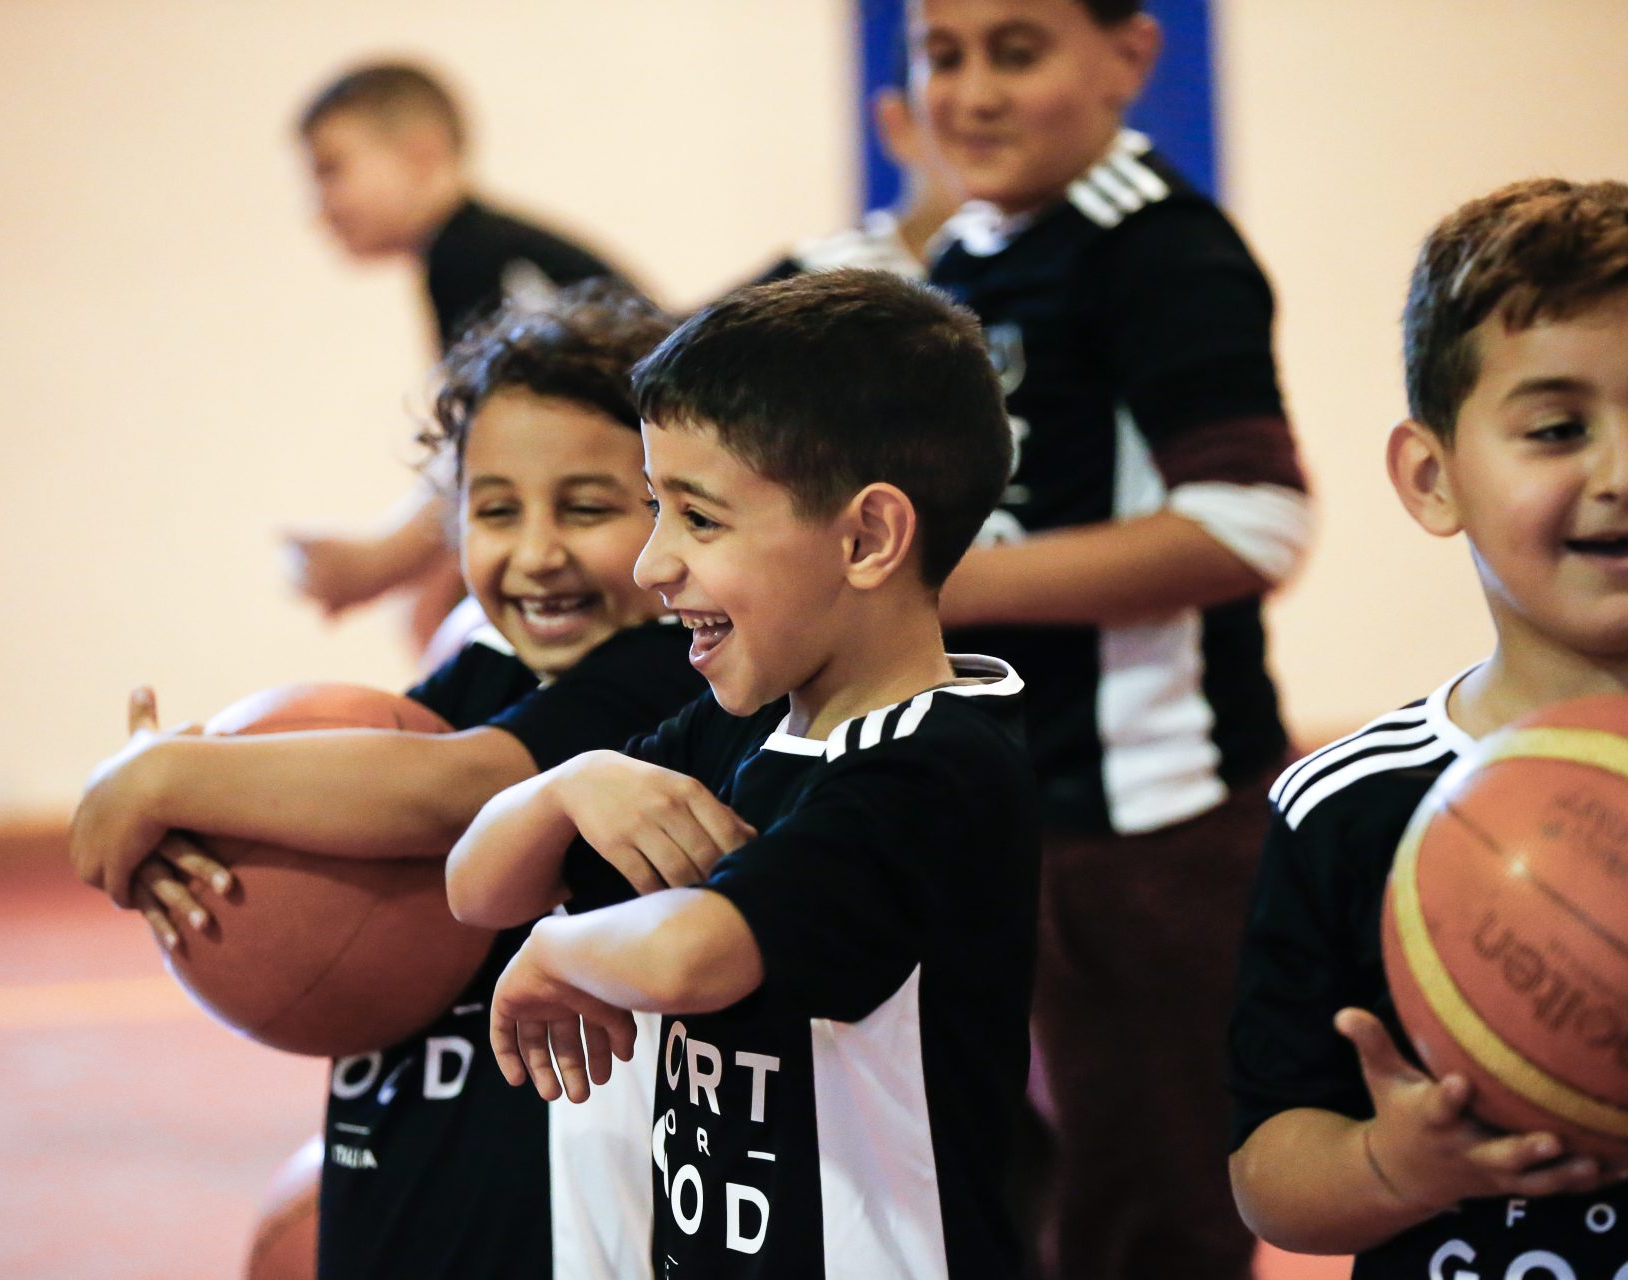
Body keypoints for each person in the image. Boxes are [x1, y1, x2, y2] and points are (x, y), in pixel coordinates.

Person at [70, 281, 706, 1280]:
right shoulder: (482, 668)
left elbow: (451, 788)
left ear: (678, 512)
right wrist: (195, 851)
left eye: (586, 507)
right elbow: (360, 791)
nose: (536, 552)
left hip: (566, 1208)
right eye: (495, 509)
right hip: (405, 1160)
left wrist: (172, 778)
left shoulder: (667, 676)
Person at [445, 269, 1042, 1278]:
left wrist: (555, 949)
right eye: (653, 508)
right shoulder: (739, 728)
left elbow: (698, 953)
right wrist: (564, 785)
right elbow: (477, 885)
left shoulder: (939, 769)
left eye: (699, 518)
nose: (652, 563)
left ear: (866, 537)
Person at [1229, 177, 1628, 1276]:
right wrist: (1403, 1165)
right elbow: (1269, 1171)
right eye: (1557, 428)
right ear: (1432, 476)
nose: (1626, 475)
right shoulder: (1347, 804)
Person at [907, 2, 1314, 1276]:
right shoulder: (967, 255)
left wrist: (952, 588)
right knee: (997, 1188)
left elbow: (1255, 523)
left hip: (1155, 830)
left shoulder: (1163, 250)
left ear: (1129, 59)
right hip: (1013, 811)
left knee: (1153, 1213)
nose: (970, 91)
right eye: (943, 54)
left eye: (1014, 52)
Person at [282, 61, 630, 663]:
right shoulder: (475, 252)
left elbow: (501, 450)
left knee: (446, 621)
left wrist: (379, 560)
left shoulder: (469, 256)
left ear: (421, 154)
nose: (319, 205)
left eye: (331, 169)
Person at [753, 80, 964, 283]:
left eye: (999, 57)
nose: (979, 99)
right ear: (895, 121)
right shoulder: (811, 273)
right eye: (945, 59)